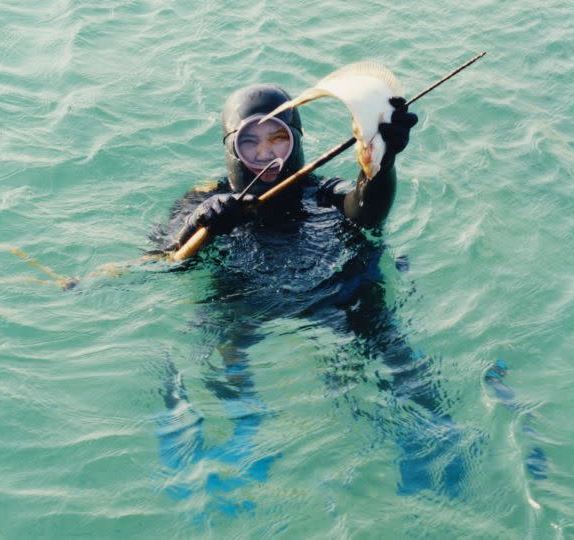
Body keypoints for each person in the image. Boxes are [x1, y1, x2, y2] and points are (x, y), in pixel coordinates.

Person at [152, 83, 469, 511]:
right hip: (246, 295)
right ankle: (238, 443)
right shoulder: (203, 201)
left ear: (297, 140)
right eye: (251, 142)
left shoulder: (321, 191)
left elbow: (365, 208)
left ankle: (432, 442)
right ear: (231, 148)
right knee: (210, 354)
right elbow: (170, 261)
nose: (266, 155)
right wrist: (197, 226)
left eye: (278, 138)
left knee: (384, 343)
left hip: (333, 289)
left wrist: (382, 162)